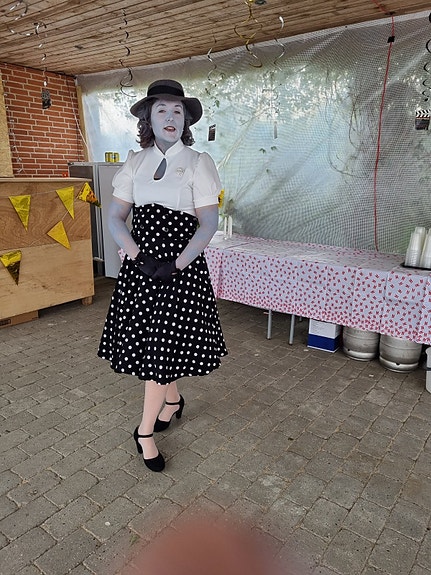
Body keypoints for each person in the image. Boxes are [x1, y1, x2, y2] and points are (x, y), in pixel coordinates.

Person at [97, 79, 227, 472]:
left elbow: (208, 223)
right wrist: (137, 257)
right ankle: (171, 401)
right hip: (142, 271)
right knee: (157, 349)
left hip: (179, 272)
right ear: (149, 119)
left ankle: (144, 432)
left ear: (185, 119)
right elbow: (116, 217)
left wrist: (176, 265)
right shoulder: (135, 162)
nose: (170, 116)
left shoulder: (199, 162)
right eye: (161, 110)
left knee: (161, 349)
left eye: (177, 110)